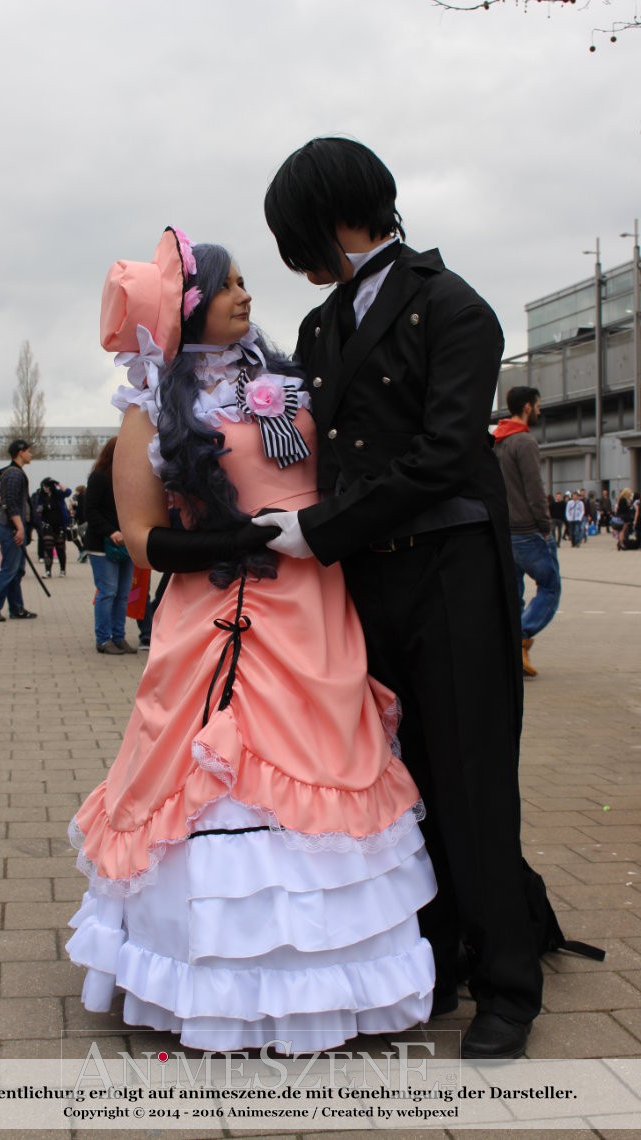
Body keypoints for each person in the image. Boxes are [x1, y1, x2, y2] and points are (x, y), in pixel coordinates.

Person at [66, 227, 436, 1054]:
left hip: (314, 607)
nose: (247, 295)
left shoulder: (295, 377)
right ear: (189, 307)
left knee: (326, 761)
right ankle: (212, 977)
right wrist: (232, 546)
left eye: (244, 284)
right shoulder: (150, 403)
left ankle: (335, 974)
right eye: (230, 285)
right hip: (216, 621)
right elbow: (139, 537)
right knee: (208, 774)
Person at [261, 138, 542, 1059]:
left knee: (470, 779)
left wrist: (325, 529)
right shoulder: (316, 328)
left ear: (337, 215)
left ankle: (510, 984)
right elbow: (301, 447)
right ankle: (439, 954)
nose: (293, 260)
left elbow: (443, 451)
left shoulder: (452, 306)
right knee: (400, 782)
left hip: (448, 570)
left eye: (295, 234)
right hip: (363, 586)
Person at [492, 386, 561, 679]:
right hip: (529, 532)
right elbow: (535, 491)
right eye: (538, 405)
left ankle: (510, 651)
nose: (540, 410)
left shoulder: (498, 442)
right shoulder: (524, 441)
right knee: (550, 586)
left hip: (504, 530)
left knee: (514, 594)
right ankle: (521, 637)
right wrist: (546, 528)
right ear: (528, 407)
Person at [84, 438, 137, 654]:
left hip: (125, 544)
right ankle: (103, 639)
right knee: (108, 591)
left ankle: (119, 636)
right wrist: (111, 531)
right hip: (101, 545)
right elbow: (91, 511)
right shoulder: (99, 477)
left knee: (123, 593)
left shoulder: (128, 479)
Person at [0, 439, 37, 622]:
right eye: (29, 451)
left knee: (16, 570)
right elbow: (10, 503)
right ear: (20, 452)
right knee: (9, 569)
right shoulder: (14, 474)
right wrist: (20, 527)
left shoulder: (13, 473)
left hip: (11, 526)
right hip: (11, 527)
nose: (31, 454)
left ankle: (17, 608)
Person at [32, 477, 71, 578]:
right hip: (47, 526)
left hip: (60, 526)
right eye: (43, 486)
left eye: (46, 486)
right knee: (48, 548)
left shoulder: (58, 494)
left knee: (60, 549)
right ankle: (48, 571)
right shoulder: (41, 496)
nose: (45, 488)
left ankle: (63, 570)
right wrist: (39, 510)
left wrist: (58, 483)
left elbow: (68, 492)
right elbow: (38, 508)